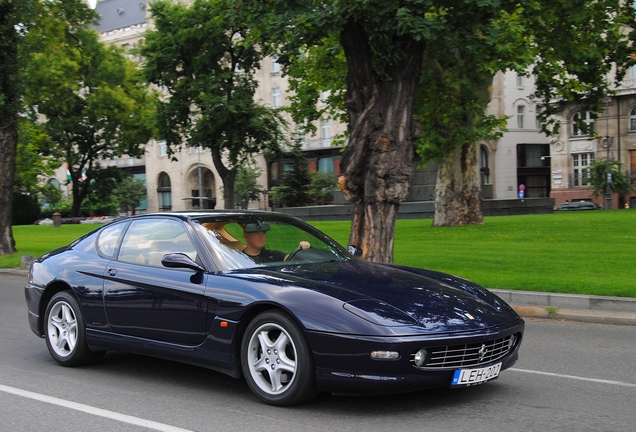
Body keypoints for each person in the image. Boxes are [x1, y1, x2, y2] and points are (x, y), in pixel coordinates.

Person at [242, 221, 310, 264]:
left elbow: (291, 258)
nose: (262, 236)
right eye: (257, 232)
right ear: (246, 236)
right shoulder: (239, 260)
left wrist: (302, 250)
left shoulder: (272, 255)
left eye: (264, 233)